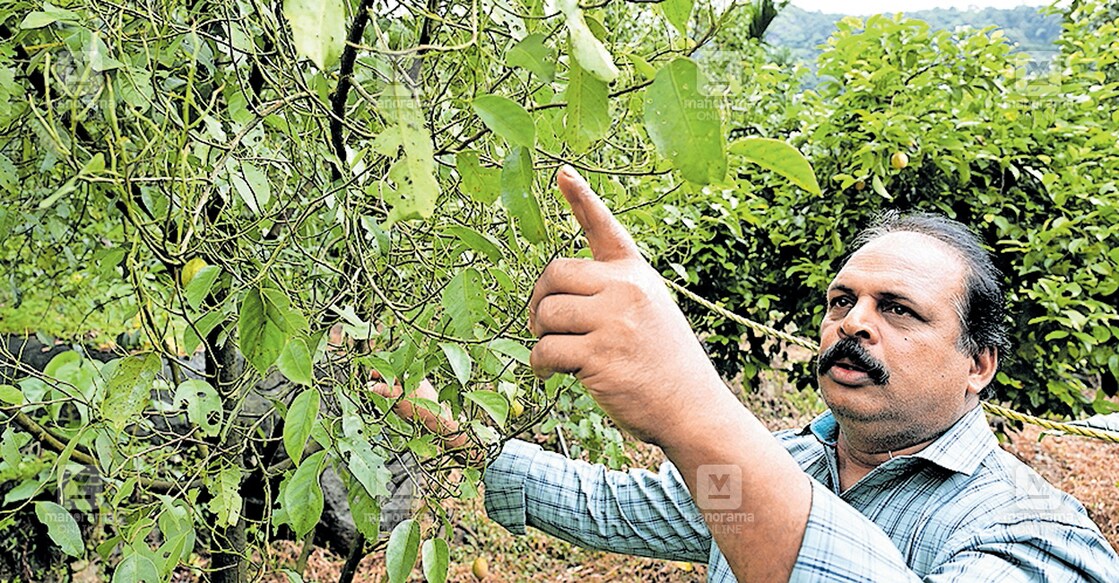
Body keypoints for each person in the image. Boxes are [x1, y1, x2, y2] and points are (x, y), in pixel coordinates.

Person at [375, 166, 1119, 581]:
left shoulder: (1029, 533)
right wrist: (448, 422)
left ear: (977, 364)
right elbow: (609, 505)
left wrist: (689, 406)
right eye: (840, 301)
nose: (852, 323)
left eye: (897, 308)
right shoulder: (780, 468)